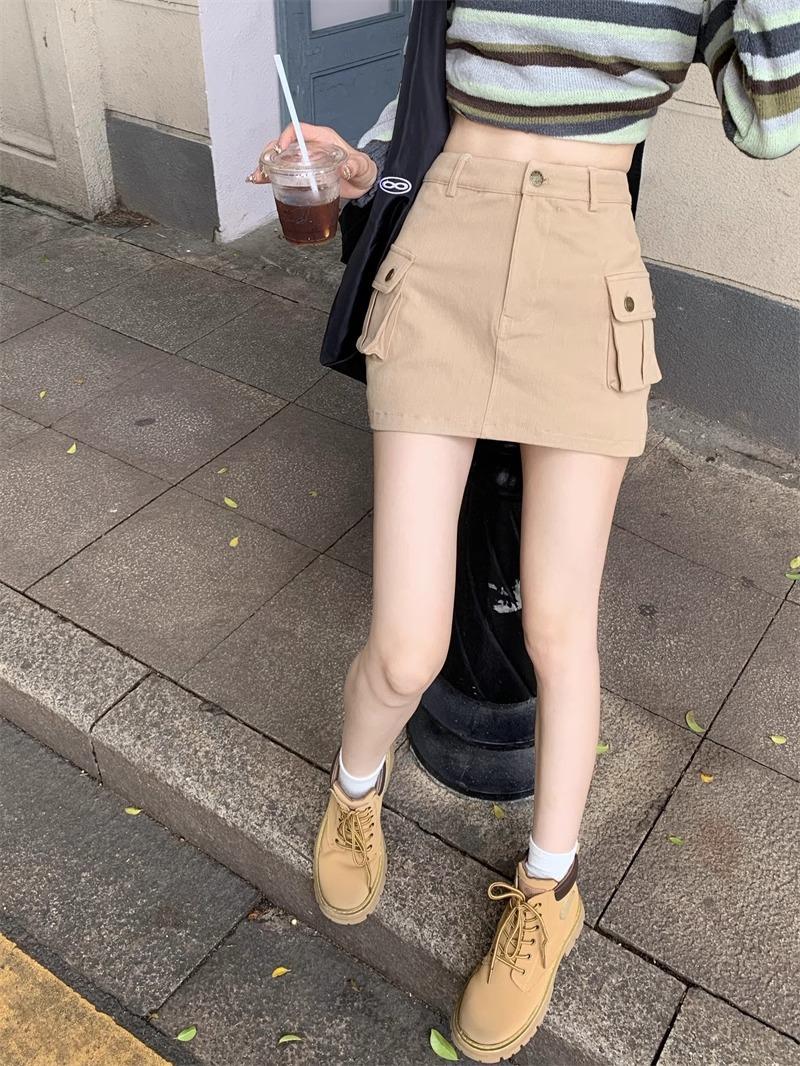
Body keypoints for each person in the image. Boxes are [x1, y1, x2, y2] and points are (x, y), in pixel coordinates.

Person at [249, 2, 799, 1061]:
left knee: (557, 628)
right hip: (446, 242)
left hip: (586, 268)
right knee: (406, 644)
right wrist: (358, 167)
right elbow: (426, 86)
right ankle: (354, 790)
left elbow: (770, 121)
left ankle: (549, 892)